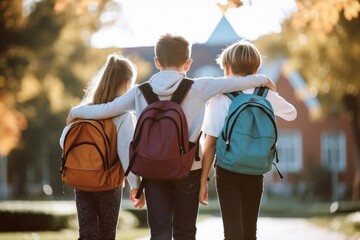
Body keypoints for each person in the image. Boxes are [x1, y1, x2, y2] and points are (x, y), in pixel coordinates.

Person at [66, 34, 276, 240]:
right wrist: (262, 79)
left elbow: (107, 109)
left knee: (160, 234)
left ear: (157, 61)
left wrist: (76, 112)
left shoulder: (140, 92)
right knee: (185, 232)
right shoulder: (199, 87)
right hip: (189, 170)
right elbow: (234, 83)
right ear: (188, 63)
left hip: (153, 170)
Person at [199, 39, 297, 240]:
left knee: (233, 229)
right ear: (257, 67)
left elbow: (209, 143)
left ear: (226, 67)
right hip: (256, 169)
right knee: (250, 230)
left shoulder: (221, 97)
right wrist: (269, 92)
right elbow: (292, 113)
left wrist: (203, 181)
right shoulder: (265, 93)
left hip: (228, 170)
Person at [60, 53, 145, 240]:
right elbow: (126, 154)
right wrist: (136, 186)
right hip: (108, 183)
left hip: (82, 180)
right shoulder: (122, 116)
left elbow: (64, 143)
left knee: (87, 234)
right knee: (107, 235)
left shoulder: (83, 111)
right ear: (126, 83)